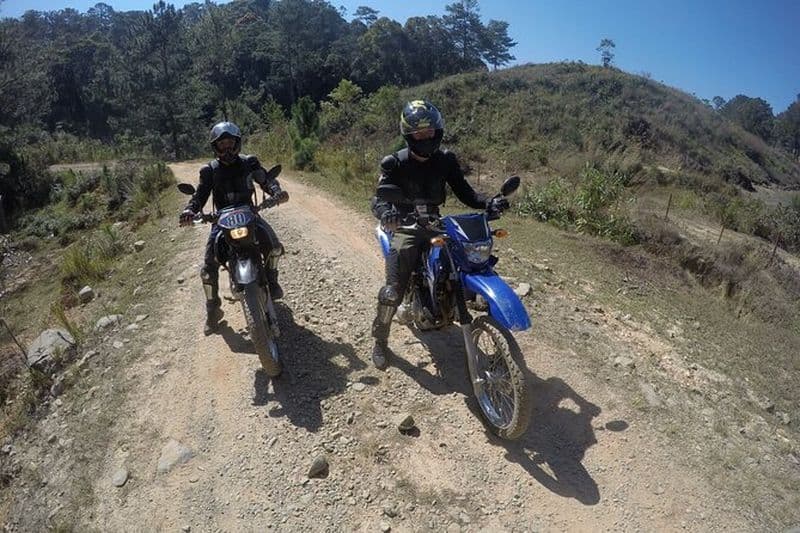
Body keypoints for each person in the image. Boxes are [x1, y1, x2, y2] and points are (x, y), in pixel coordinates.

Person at [369, 100, 509, 369]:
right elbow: (378, 198)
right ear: (409, 135)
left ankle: (462, 306)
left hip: (434, 221)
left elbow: (465, 192)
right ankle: (380, 340)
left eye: (429, 132)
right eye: (419, 133)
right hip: (404, 226)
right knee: (391, 290)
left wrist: (488, 203)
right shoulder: (395, 163)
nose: (425, 137)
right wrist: (387, 214)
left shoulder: (446, 160)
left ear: (438, 131)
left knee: (473, 261)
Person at [180, 121, 289, 335]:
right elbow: (200, 195)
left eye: (230, 143)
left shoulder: (249, 162)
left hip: (249, 214)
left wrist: (277, 191)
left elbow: (264, 180)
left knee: (274, 247)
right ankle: (213, 311)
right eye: (222, 145)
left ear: (237, 142)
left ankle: (272, 280)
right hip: (221, 221)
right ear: (215, 147)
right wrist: (189, 210)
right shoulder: (209, 170)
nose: (227, 148)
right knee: (208, 267)